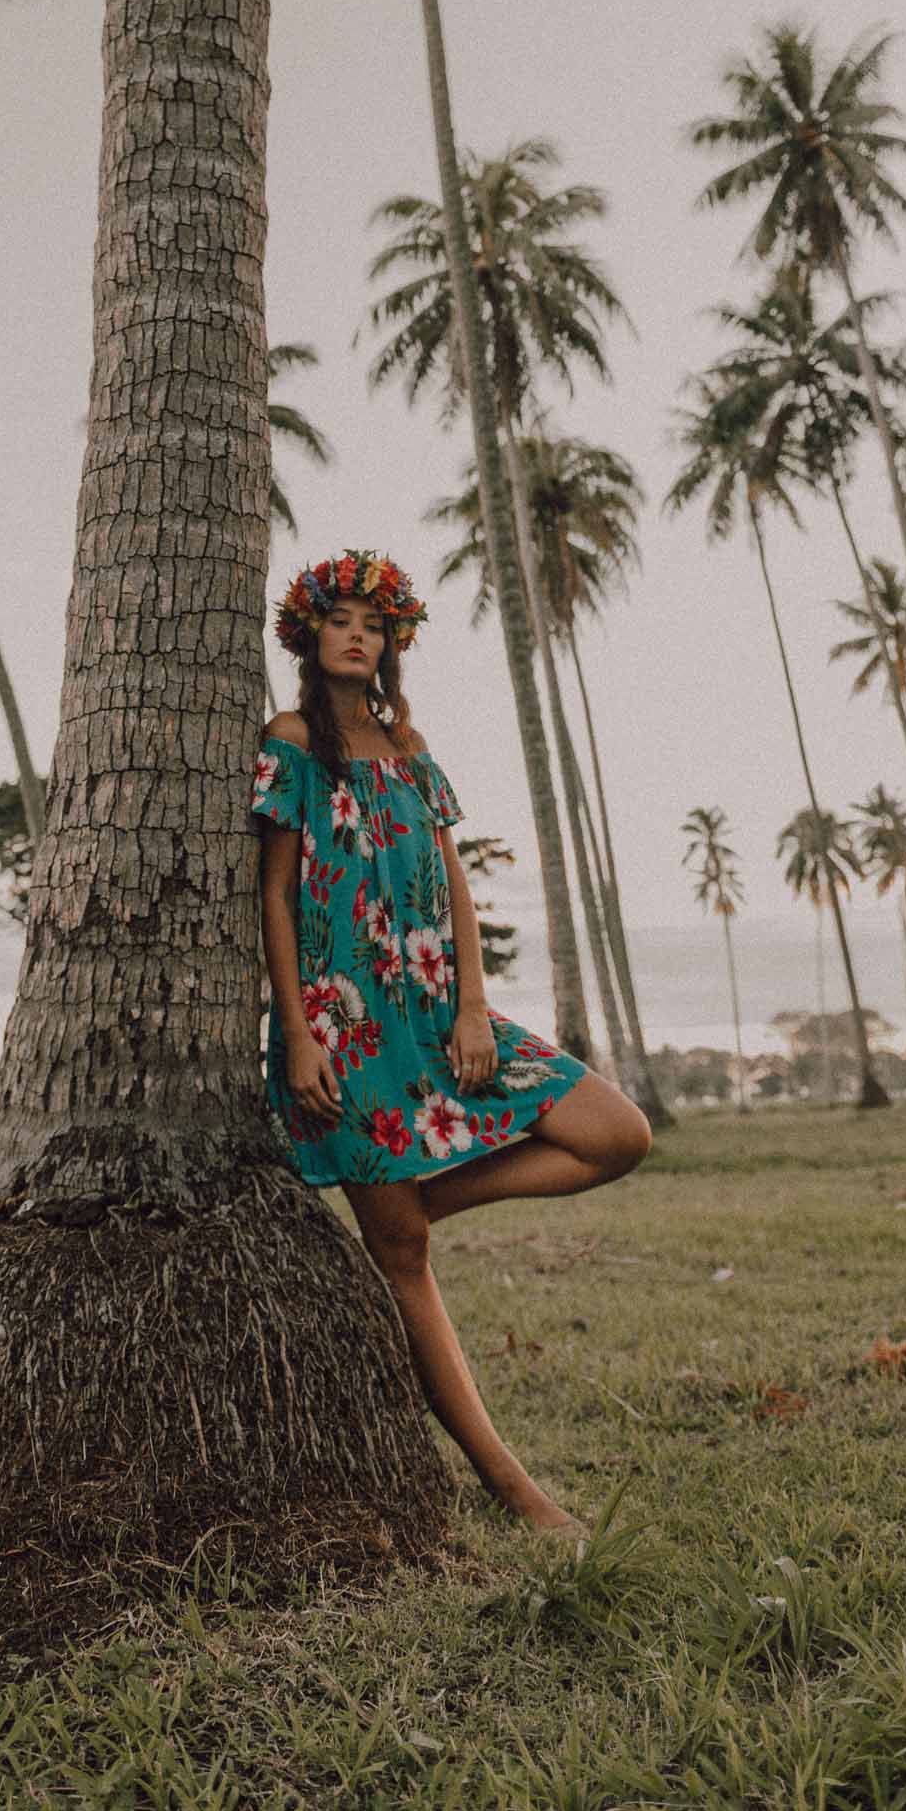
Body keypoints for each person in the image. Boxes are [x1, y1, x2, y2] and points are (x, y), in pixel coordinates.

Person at [254, 548, 651, 1537]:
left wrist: (474, 1006)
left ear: (392, 641)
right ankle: (514, 1491)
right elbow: (271, 891)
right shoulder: (292, 740)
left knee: (615, 1133)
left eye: (373, 623)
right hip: (344, 1028)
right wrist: (299, 1035)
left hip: (437, 1009)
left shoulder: (410, 742)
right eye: (340, 619)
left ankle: (415, 1203)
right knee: (404, 1263)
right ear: (309, 633)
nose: (358, 635)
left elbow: (453, 880)